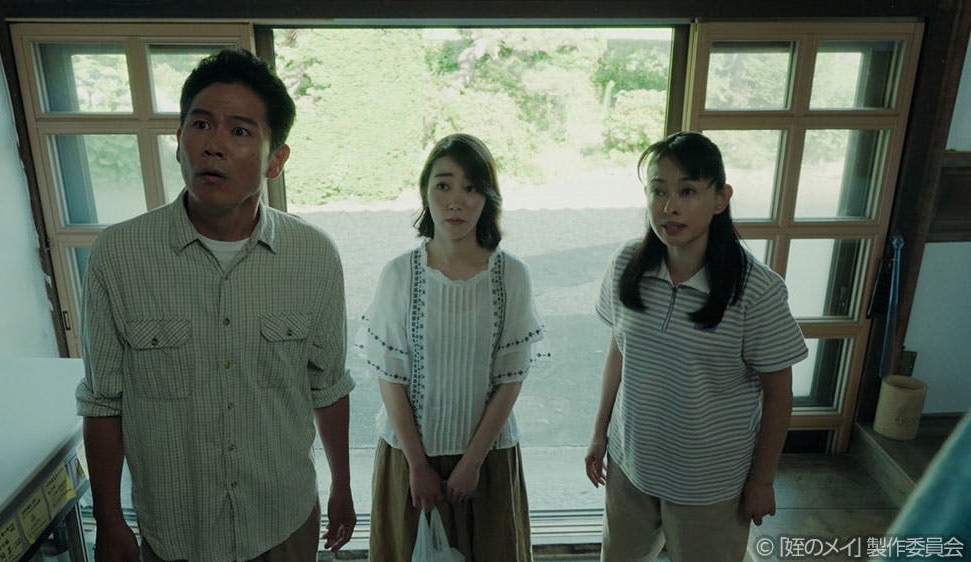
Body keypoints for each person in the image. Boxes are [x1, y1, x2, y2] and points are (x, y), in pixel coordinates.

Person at [76, 48, 355, 562]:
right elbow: (102, 402)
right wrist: (110, 521)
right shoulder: (118, 256)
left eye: (240, 131)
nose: (214, 145)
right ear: (179, 141)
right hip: (176, 531)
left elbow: (329, 386)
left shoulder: (314, 256)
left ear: (275, 160)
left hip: (282, 520)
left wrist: (342, 485)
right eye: (201, 124)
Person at [584, 131, 808, 562]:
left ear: (721, 198)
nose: (670, 207)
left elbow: (779, 394)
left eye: (687, 191)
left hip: (710, 484)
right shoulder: (627, 264)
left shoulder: (756, 290)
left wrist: (762, 481)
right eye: (658, 191)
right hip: (632, 467)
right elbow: (619, 350)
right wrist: (599, 434)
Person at [360, 133, 545, 562]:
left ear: (488, 197)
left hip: (488, 459)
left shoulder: (512, 275)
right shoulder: (399, 274)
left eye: (471, 187)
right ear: (425, 192)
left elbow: (510, 377)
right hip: (409, 459)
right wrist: (418, 465)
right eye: (443, 185)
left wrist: (472, 463)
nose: (456, 201)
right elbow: (390, 377)